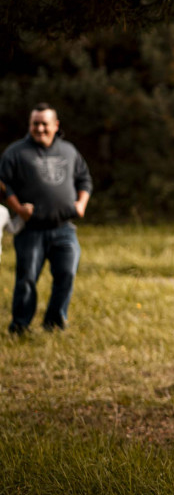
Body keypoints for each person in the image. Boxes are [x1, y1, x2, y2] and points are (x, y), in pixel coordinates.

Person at [0, 103, 92, 334]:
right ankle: (20, 326)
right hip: (31, 229)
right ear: (29, 125)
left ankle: (54, 323)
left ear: (56, 125)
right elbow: (3, 184)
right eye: (35, 124)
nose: (39, 128)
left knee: (66, 275)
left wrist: (81, 203)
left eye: (44, 124)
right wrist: (18, 208)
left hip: (64, 228)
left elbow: (84, 179)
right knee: (27, 279)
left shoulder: (69, 151)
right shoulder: (16, 152)